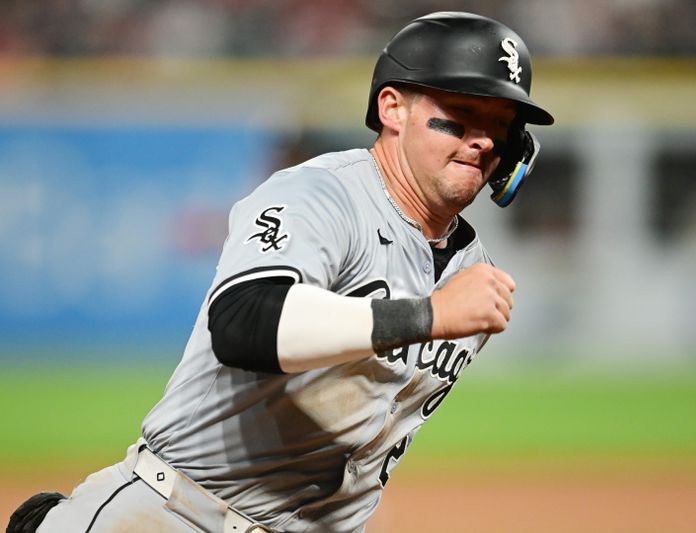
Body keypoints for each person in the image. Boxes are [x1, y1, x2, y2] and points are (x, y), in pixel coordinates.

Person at [9, 11, 553, 533]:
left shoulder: (473, 276)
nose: (482, 140)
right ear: (393, 108)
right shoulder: (323, 196)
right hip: (175, 514)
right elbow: (245, 323)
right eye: (461, 114)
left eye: (500, 126)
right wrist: (428, 314)